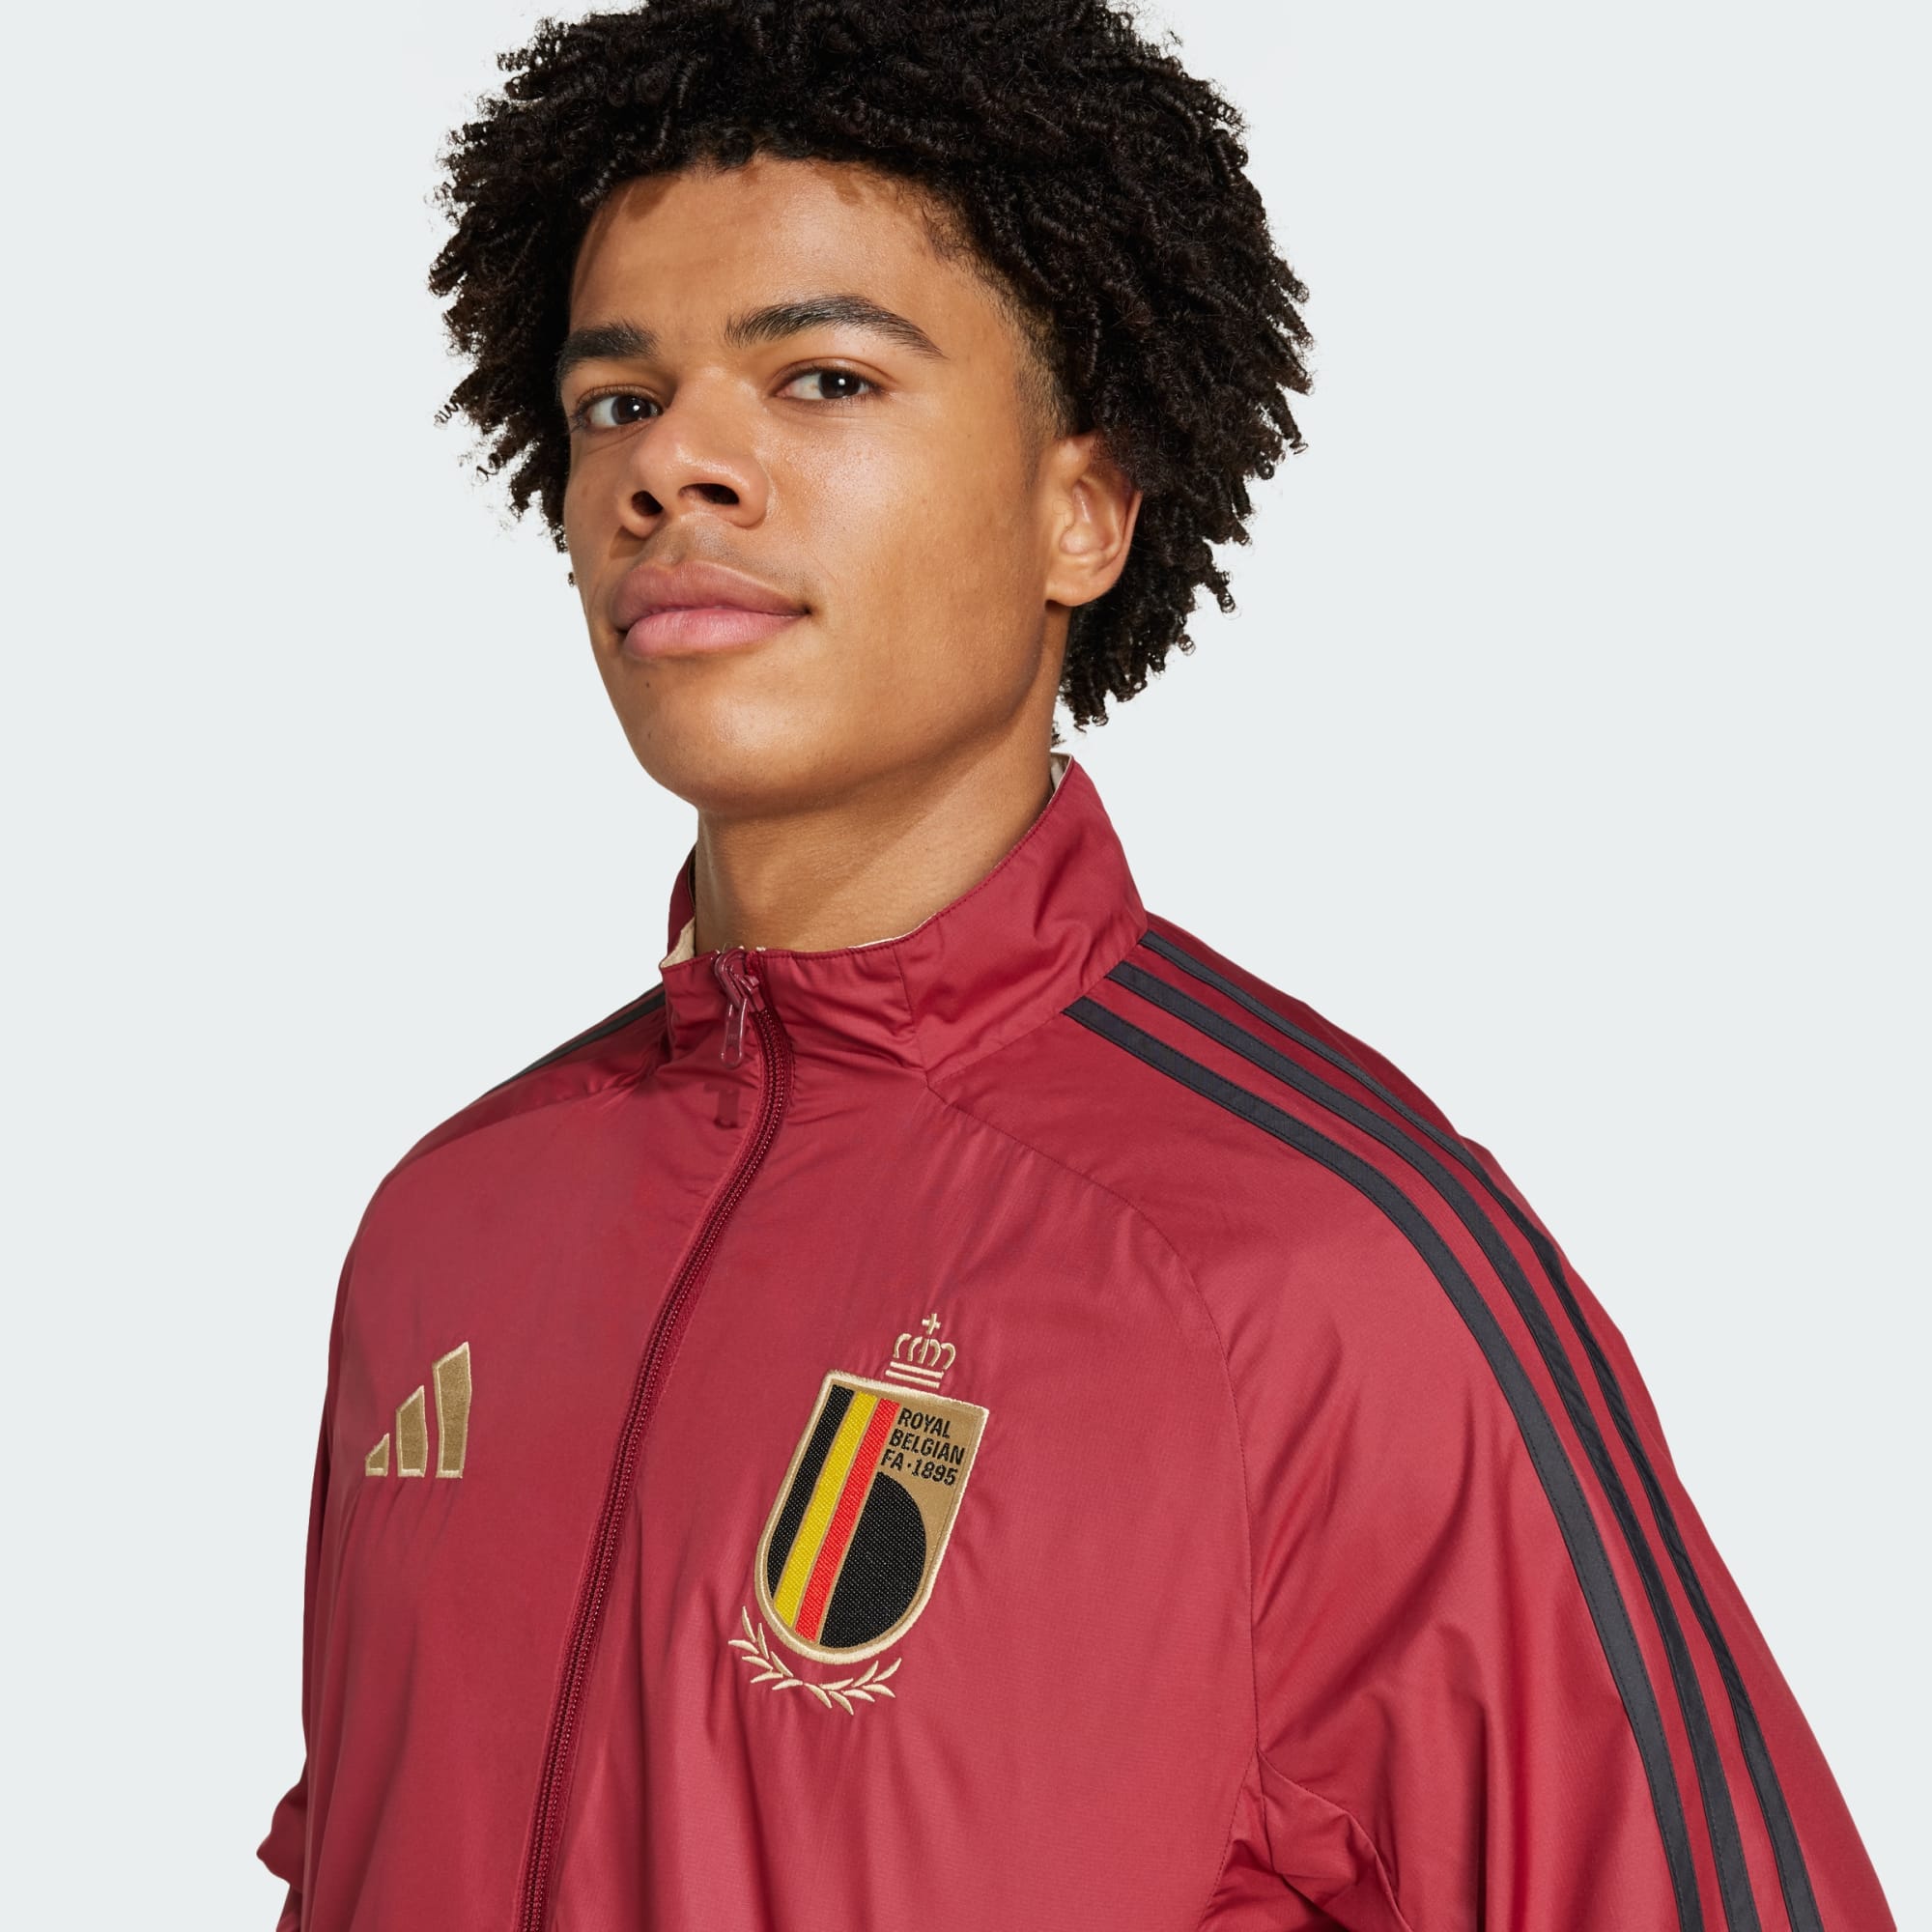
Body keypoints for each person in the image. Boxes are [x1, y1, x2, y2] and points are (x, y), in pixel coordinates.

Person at [258, 2, 1895, 1926]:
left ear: (1083, 512)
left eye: (824, 379)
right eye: (618, 400)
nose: (675, 463)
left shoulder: (1320, 1273)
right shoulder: (451, 1230)